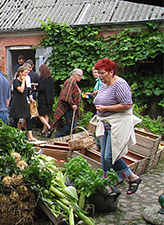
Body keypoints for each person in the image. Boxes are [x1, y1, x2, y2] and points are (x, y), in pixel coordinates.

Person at [92, 58, 142, 195]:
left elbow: (127, 105)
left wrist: (106, 108)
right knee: (103, 158)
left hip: (117, 125)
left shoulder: (120, 85)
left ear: (111, 71)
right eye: (98, 73)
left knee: (110, 156)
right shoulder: (104, 84)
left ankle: (133, 177)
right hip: (105, 124)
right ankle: (106, 184)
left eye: (102, 73)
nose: (100, 76)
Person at [50, 68, 83, 138]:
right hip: (66, 106)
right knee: (71, 124)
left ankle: (69, 138)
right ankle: (59, 137)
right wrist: (72, 104)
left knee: (73, 123)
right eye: (79, 76)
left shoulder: (73, 82)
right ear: (74, 75)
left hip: (69, 107)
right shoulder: (70, 81)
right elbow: (66, 95)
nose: (81, 78)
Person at [10, 66, 36, 141]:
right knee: (16, 120)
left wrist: (31, 99)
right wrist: (23, 81)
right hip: (17, 103)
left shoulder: (26, 81)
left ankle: (30, 136)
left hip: (24, 102)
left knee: (28, 118)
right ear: (20, 73)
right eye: (24, 73)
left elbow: (27, 92)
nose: (25, 75)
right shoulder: (16, 81)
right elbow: (21, 90)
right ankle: (14, 135)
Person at [35, 64, 54, 136]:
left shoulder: (42, 79)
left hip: (43, 100)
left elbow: (42, 88)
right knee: (46, 115)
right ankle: (44, 131)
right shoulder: (51, 79)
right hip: (50, 100)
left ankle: (49, 127)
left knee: (39, 114)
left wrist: (36, 89)